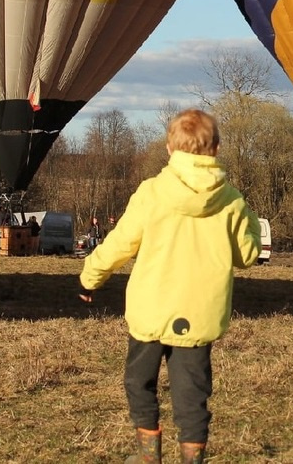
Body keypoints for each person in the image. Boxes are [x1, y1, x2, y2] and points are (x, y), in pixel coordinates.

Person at [79, 108, 261, 464]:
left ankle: (148, 455)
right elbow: (247, 255)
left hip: (151, 309)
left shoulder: (151, 192)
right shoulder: (232, 201)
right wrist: (249, 220)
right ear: (217, 149)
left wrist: (90, 277)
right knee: (192, 395)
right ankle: (192, 459)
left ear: (169, 149)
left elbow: (119, 244)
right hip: (200, 314)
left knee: (138, 383)